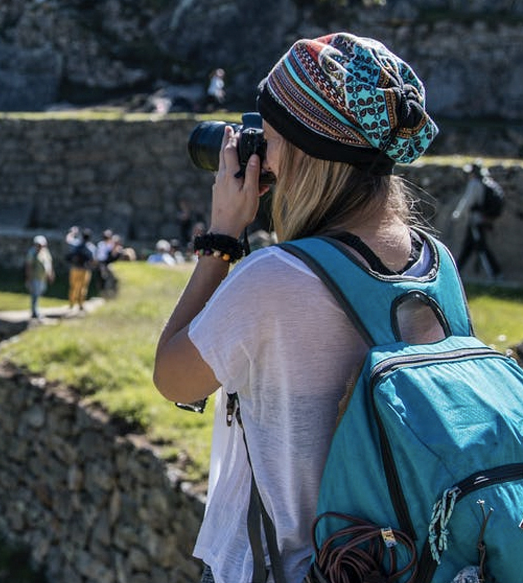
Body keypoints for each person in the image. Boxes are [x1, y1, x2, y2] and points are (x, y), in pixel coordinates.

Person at [152, 32, 442, 583]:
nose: (259, 149)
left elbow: (174, 379)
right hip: (395, 562)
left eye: (271, 134)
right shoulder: (436, 264)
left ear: (307, 153)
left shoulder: (278, 278)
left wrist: (222, 238)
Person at [449, 160, 503, 278]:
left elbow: (467, 201)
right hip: (483, 219)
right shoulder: (488, 182)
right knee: (469, 245)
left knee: (481, 247)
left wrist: (457, 214)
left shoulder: (474, 184)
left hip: (477, 220)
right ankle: (456, 272)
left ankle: (495, 274)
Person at [23, 235, 55, 319]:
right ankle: (35, 312)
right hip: (34, 277)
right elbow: (28, 266)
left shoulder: (45, 252)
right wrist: (28, 278)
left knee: (40, 292)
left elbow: (49, 264)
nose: (40, 246)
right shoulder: (32, 253)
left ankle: (35, 311)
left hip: (42, 277)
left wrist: (51, 274)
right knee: (35, 295)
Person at [65, 227, 95, 312]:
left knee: (73, 287)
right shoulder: (91, 248)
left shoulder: (76, 244)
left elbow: (68, 239)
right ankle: (81, 305)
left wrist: (72, 232)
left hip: (74, 268)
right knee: (83, 288)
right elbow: (93, 260)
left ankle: (71, 304)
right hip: (85, 270)